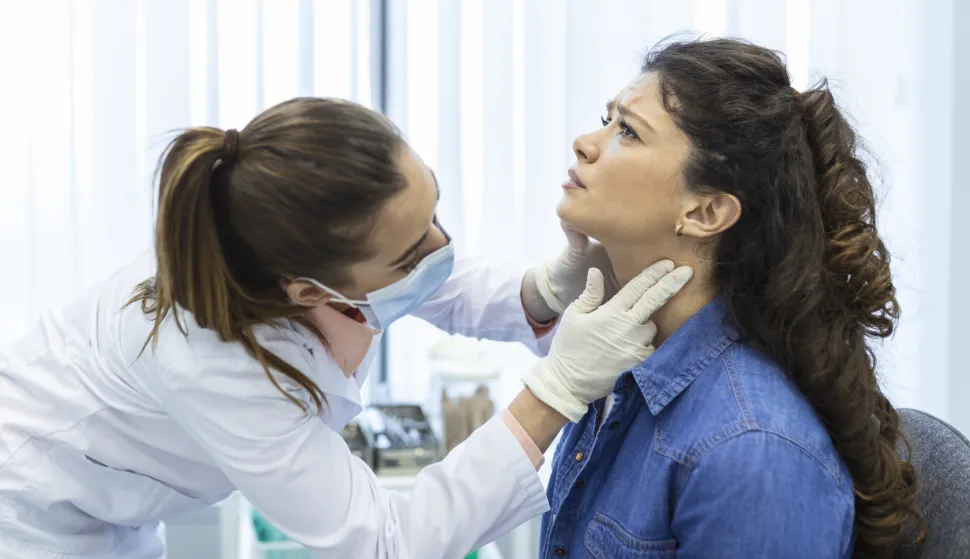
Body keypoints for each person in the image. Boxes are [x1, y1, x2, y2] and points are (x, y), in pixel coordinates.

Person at [0, 98, 693, 559]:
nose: (441, 247)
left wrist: (543, 288)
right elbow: (384, 542)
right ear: (305, 290)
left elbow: (427, 278)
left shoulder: (308, 244)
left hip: (117, 511)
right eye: (414, 249)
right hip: (36, 519)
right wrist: (554, 392)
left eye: (433, 213)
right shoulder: (209, 358)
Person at [541, 37, 922, 559]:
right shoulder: (619, 367)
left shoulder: (751, 449)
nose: (585, 143)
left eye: (627, 131)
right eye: (606, 120)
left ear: (706, 213)